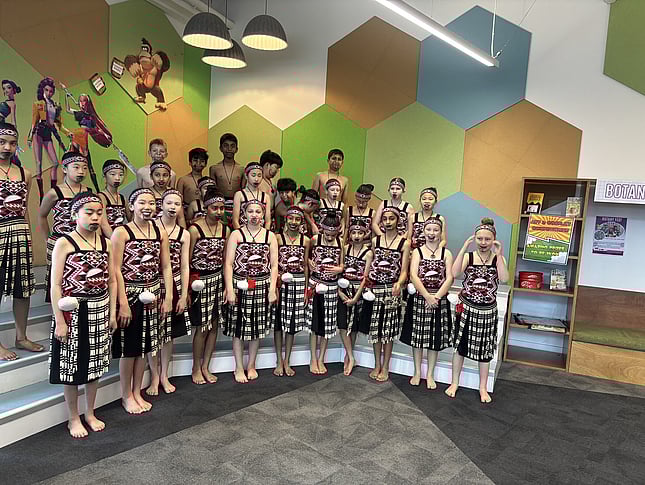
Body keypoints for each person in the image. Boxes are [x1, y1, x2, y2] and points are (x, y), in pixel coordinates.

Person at [49, 192, 116, 437]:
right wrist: (59, 320)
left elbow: (111, 281)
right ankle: (73, 417)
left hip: (100, 308)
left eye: (99, 213)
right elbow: (55, 284)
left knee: (95, 364)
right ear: (75, 214)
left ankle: (90, 412)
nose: (95, 217)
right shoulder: (64, 242)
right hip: (73, 312)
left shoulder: (106, 243)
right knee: (71, 367)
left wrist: (112, 312)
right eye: (89, 212)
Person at [111, 188, 173, 414]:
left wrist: (168, 296)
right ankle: (126, 394)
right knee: (129, 349)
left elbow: (166, 266)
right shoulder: (122, 232)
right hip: (130, 293)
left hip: (153, 293)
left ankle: (137, 391)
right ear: (131, 206)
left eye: (151, 203)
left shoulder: (159, 231)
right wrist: (123, 303)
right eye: (142, 203)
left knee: (144, 346)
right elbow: (115, 269)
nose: (147, 207)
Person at [447, 218, 508, 403]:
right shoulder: (469, 257)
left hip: (487, 310)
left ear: (493, 240)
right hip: (467, 307)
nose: (483, 242)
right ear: (475, 239)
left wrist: (499, 254)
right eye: (479, 239)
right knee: (460, 347)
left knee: (485, 351)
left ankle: (483, 387)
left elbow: (504, 278)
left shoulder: (498, 258)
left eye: (487, 239)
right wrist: (464, 248)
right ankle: (454, 382)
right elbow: (454, 273)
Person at [223, 200, 278, 383]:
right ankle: (239, 367)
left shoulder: (270, 236)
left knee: (257, 328)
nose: (254, 215)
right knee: (238, 328)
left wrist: (272, 289)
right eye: (251, 211)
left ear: (263, 215)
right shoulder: (236, 234)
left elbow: (274, 265)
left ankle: (251, 364)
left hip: (262, 285)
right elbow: (229, 264)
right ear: (244, 214)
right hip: (240, 284)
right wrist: (229, 289)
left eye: (258, 212)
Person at [0, 122, 40, 360]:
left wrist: (29, 240)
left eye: (12, 143)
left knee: (22, 289)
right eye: (2, 142)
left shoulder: (25, 173)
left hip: (20, 232)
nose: (7, 147)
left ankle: (21, 336)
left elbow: (24, 210)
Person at [146, 189, 191, 396]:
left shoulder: (184, 234)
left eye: (177, 204)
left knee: (168, 334)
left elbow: (184, 265)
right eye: (169, 203)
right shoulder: (151, 228)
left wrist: (183, 294)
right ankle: (154, 375)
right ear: (161, 205)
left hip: (175, 283)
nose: (173, 207)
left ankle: (164, 375)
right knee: (153, 332)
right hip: (153, 283)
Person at [400, 217, 454, 389]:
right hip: (420, 298)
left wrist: (436, 297)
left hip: (439, 299)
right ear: (423, 232)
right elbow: (413, 275)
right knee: (417, 338)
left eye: (435, 230)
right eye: (428, 230)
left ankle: (430, 374)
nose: (432, 233)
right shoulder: (417, 252)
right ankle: (417, 372)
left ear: (441, 232)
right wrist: (427, 296)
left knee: (434, 339)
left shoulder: (446, 253)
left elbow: (449, 277)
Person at [361, 206, 410, 382]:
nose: (388, 222)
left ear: (398, 220)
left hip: (391, 290)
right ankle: (376, 364)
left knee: (388, 331)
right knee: (375, 329)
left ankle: (386, 366)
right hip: (376, 289)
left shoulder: (404, 243)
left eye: (392, 218)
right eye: (385, 219)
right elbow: (372, 263)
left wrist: (399, 283)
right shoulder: (376, 241)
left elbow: (404, 270)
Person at [39, 152, 91, 304]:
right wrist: (47, 239)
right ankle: (58, 312)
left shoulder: (88, 192)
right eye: (76, 167)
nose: (81, 171)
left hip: (82, 241)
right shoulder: (54, 192)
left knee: (79, 275)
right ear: (64, 169)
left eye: (84, 168)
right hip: (59, 241)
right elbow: (41, 216)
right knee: (58, 277)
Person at [188, 187, 228, 385]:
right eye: (214, 208)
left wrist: (226, 286)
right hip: (200, 282)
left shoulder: (225, 229)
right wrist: (188, 287)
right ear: (205, 207)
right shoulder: (195, 229)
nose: (219, 211)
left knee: (214, 326)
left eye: (221, 208)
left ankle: (206, 366)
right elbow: (186, 260)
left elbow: (226, 259)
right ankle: (196, 367)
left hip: (217, 280)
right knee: (202, 327)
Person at [274, 206, 310, 377]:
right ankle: (278, 360)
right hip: (281, 282)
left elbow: (305, 266)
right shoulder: (278, 238)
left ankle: (287, 360)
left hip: (298, 282)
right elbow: (273, 263)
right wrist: (275, 284)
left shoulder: (306, 241)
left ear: (301, 221)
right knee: (279, 323)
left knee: (292, 324)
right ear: (286, 219)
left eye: (297, 219)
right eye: (291, 218)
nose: (294, 222)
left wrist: (306, 289)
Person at [305, 215, 344, 375]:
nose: (329, 238)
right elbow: (306, 258)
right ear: (322, 230)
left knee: (327, 325)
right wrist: (309, 262)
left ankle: (321, 358)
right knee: (314, 325)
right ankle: (313, 358)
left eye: (332, 235)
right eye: (327, 234)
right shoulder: (315, 240)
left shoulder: (340, 243)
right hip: (315, 284)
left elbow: (342, 265)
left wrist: (339, 269)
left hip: (331, 287)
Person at [337, 219, 372, 376]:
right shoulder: (345, 248)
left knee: (354, 326)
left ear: (365, 234)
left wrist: (356, 298)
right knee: (343, 325)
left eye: (360, 233)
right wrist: (340, 291)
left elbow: (365, 278)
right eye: (354, 232)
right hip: (344, 288)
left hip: (358, 291)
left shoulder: (368, 253)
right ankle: (351, 356)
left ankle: (348, 355)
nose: (357, 236)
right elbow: (341, 270)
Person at [60, 87, 112, 192]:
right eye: (80, 101)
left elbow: (97, 128)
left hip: (83, 140)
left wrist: (104, 135)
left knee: (89, 165)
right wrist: (67, 96)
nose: (82, 103)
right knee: (70, 163)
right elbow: (68, 110)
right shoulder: (80, 113)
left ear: (88, 103)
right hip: (77, 138)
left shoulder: (91, 117)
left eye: (84, 101)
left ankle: (97, 190)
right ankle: (67, 188)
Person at [28, 77, 71, 199]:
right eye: (46, 90)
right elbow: (34, 122)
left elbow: (59, 125)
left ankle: (52, 190)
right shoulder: (38, 104)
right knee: (39, 163)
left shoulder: (55, 106)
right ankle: (41, 194)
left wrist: (68, 133)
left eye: (51, 91)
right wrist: (30, 137)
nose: (49, 93)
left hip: (48, 133)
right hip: (38, 131)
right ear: (42, 90)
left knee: (55, 163)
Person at [210, 133, 243, 224]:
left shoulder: (241, 169)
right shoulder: (214, 168)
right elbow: (212, 190)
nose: (229, 149)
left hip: (236, 204)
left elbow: (243, 190)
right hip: (220, 204)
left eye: (232, 146)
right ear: (220, 148)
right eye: (226, 146)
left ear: (236, 149)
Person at [232, 162, 271, 230]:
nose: (256, 179)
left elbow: (267, 221)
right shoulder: (239, 195)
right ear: (246, 176)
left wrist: (265, 234)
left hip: (261, 233)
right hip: (243, 232)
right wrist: (240, 234)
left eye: (259, 176)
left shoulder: (266, 197)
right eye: (253, 175)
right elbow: (235, 220)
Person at [98, 160, 130, 237]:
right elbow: (104, 224)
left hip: (121, 235)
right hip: (107, 237)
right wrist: (115, 240)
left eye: (121, 175)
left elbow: (131, 219)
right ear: (105, 176)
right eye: (112, 174)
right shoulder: (101, 197)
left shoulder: (122, 198)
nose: (117, 178)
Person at [149, 161, 186, 227]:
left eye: (165, 175)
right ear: (151, 176)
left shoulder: (175, 194)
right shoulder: (146, 194)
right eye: (157, 175)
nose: (161, 179)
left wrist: (183, 232)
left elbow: (181, 218)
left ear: (169, 177)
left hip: (170, 229)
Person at [2, 80, 22, 166]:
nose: (6, 90)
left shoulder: (12, 103)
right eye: (4, 88)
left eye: (8, 88)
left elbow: (13, 121)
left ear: (13, 90)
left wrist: (15, 139)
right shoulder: (8, 102)